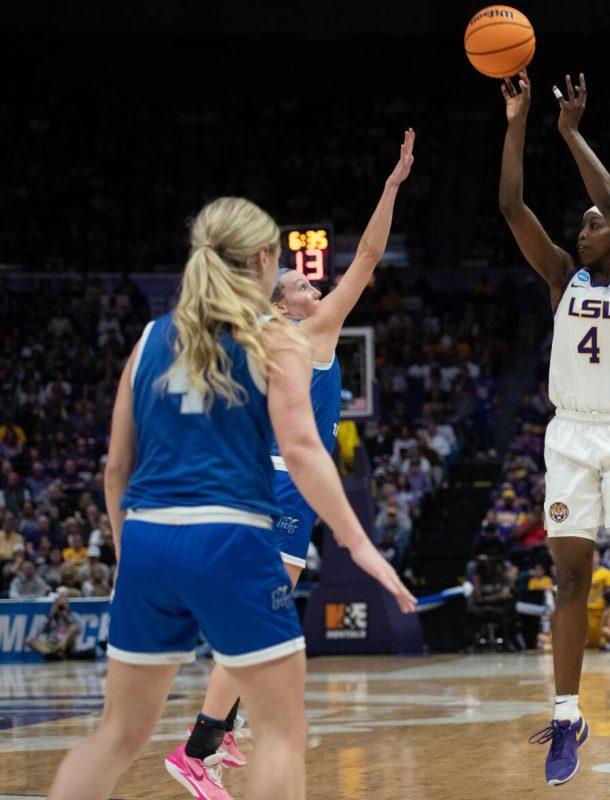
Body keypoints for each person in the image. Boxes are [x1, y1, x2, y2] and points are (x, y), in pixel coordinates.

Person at [45, 197, 415, 800]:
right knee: (285, 734)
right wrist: (360, 546)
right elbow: (301, 448)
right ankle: (207, 742)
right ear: (264, 263)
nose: (307, 284)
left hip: (149, 537)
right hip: (243, 512)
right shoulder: (280, 339)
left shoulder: (150, 337)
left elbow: (117, 469)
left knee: (113, 736)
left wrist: (124, 558)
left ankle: (217, 729)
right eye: (291, 275)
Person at [174, 131, 417, 784]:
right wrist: (392, 186)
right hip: (281, 485)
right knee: (261, 614)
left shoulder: (256, 335)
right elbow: (368, 255)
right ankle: (195, 749)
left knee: (260, 610)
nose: (314, 285)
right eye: (300, 284)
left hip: (266, 480)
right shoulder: (309, 331)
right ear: (286, 304)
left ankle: (216, 732)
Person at [500, 70, 610, 785]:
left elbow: (608, 197)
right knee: (569, 577)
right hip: (570, 435)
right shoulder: (560, 279)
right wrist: (517, 121)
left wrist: (570, 132)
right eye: (580, 224)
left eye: (595, 225)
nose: (584, 228)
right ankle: (567, 716)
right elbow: (512, 206)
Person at [25, 591, 80, 660]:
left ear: (67, 605)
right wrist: (51, 617)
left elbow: (79, 630)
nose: (61, 608)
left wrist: (67, 618)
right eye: (59, 605)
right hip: (52, 645)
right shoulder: (51, 617)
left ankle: (59, 651)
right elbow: (42, 630)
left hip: (66, 645)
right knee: (29, 640)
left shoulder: (73, 615)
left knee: (73, 628)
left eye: (63, 605)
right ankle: (53, 654)